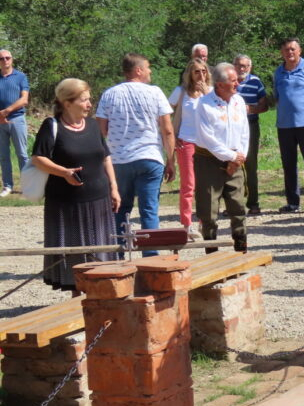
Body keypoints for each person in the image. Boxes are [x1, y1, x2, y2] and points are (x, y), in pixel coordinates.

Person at [31, 79, 120, 294]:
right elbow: (38, 159)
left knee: (100, 249)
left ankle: (101, 294)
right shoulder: (52, 126)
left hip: (98, 200)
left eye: (89, 99)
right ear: (68, 103)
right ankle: (76, 296)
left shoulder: (91, 125)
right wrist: (64, 172)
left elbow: (106, 157)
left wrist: (114, 188)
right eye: (84, 100)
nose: (90, 104)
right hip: (66, 204)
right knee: (74, 252)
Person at [96, 53, 176, 257]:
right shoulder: (155, 93)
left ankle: (119, 256)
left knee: (120, 209)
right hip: (149, 157)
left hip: (119, 160)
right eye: (148, 67)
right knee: (149, 210)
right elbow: (167, 129)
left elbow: (101, 131)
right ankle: (151, 259)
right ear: (138, 70)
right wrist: (171, 160)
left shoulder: (109, 94)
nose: (150, 71)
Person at [194, 63, 249, 253]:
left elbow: (244, 133)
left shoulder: (239, 102)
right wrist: (231, 156)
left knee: (238, 207)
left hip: (235, 160)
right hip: (209, 161)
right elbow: (209, 138)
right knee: (209, 211)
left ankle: (241, 252)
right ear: (219, 85)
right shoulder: (204, 104)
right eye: (233, 81)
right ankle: (212, 254)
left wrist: (238, 158)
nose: (237, 84)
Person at [273, 38, 304, 214]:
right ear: (282, 52)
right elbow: (277, 97)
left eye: (293, 49)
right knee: (288, 164)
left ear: (299, 51)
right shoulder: (278, 72)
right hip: (285, 124)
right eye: (286, 50)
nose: (290, 53)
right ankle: (293, 202)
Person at [169, 58, 211, 239]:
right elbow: (164, 114)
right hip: (186, 142)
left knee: (205, 184)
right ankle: (187, 224)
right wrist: (173, 135)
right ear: (190, 74)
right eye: (196, 71)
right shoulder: (180, 92)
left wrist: (207, 94)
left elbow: (219, 114)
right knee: (189, 185)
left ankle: (205, 221)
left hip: (206, 143)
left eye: (203, 71)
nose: (201, 75)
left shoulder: (211, 93)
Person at [234, 54, 268, 216]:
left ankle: (253, 203)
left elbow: (265, 105)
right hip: (231, 128)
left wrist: (250, 109)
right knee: (232, 164)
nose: (241, 69)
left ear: (250, 67)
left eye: (245, 66)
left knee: (251, 165)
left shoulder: (256, 82)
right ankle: (234, 204)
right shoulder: (229, 81)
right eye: (239, 65)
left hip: (250, 126)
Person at [0, 50, 30, 197]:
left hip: (17, 119)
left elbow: (24, 99)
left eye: (7, 57)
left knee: (22, 154)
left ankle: (27, 187)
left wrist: (6, 111)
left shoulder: (20, 77)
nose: (5, 60)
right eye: (2, 58)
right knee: (4, 155)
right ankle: (7, 186)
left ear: (12, 59)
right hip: (0, 122)